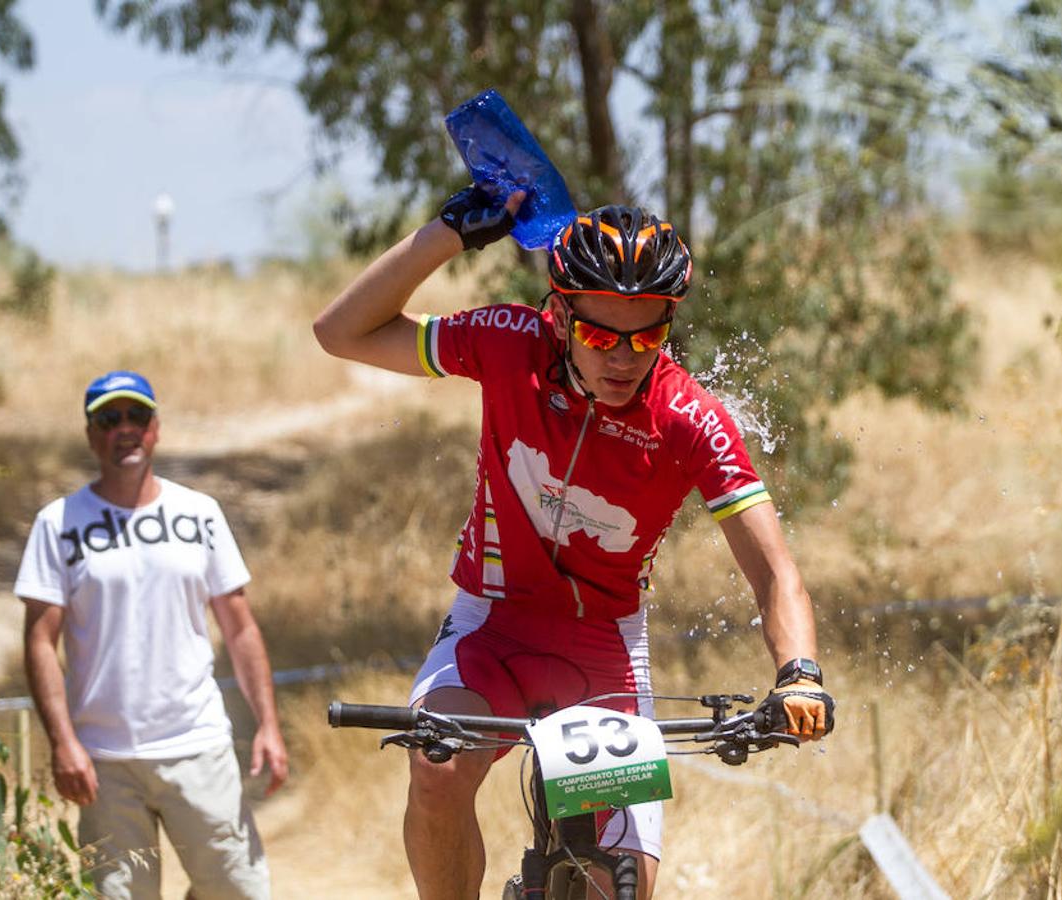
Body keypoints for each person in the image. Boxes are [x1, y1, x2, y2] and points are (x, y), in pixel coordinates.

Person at [313, 187, 834, 900]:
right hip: (491, 628)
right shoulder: (506, 342)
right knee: (436, 766)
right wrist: (446, 235)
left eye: (644, 336)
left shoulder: (689, 419)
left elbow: (775, 574)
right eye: (598, 336)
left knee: (616, 888)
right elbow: (340, 332)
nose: (622, 359)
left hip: (602, 650)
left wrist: (799, 672)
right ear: (557, 316)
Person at [16, 370, 288, 900]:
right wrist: (63, 742)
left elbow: (240, 628)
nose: (125, 428)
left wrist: (268, 726)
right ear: (91, 433)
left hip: (197, 746)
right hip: (105, 763)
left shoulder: (199, 514)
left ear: (156, 428)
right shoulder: (58, 523)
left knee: (238, 891)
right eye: (109, 418)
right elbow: (39, 643)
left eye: (137, 416)